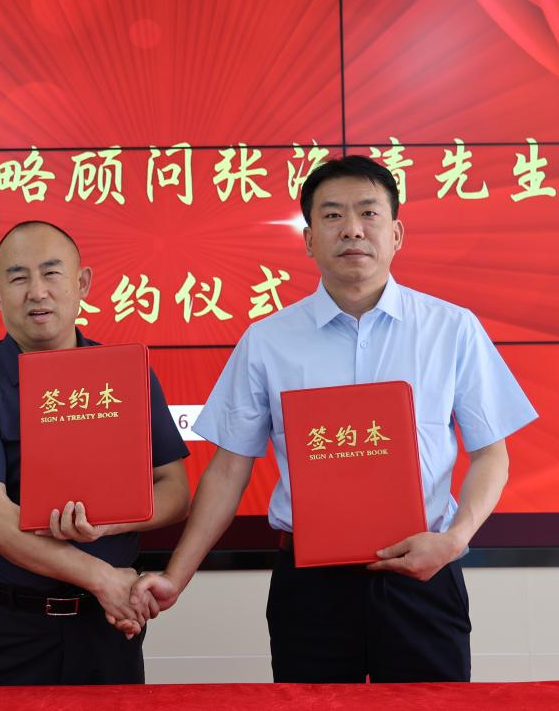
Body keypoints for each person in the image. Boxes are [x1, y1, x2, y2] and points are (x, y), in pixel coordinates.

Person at [131, 155, 537, 683]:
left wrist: (455, 540)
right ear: (308, 239)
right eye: (332, 216)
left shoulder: (451, 329)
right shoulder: (268, 341)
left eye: (368, 213)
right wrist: (175, 577)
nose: (352, 229)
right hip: (311, 587)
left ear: (396, 233)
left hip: (424, 576)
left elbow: (490, 454)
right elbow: (228, 471)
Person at [0, 220, 190, 686]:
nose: (37, 292)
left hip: (106, 627)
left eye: (51, 273)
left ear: (82, 283)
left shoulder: (127, 375)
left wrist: (109, 523)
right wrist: (101, 577)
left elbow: (174, 491)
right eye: (18, 278)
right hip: (0, 628)